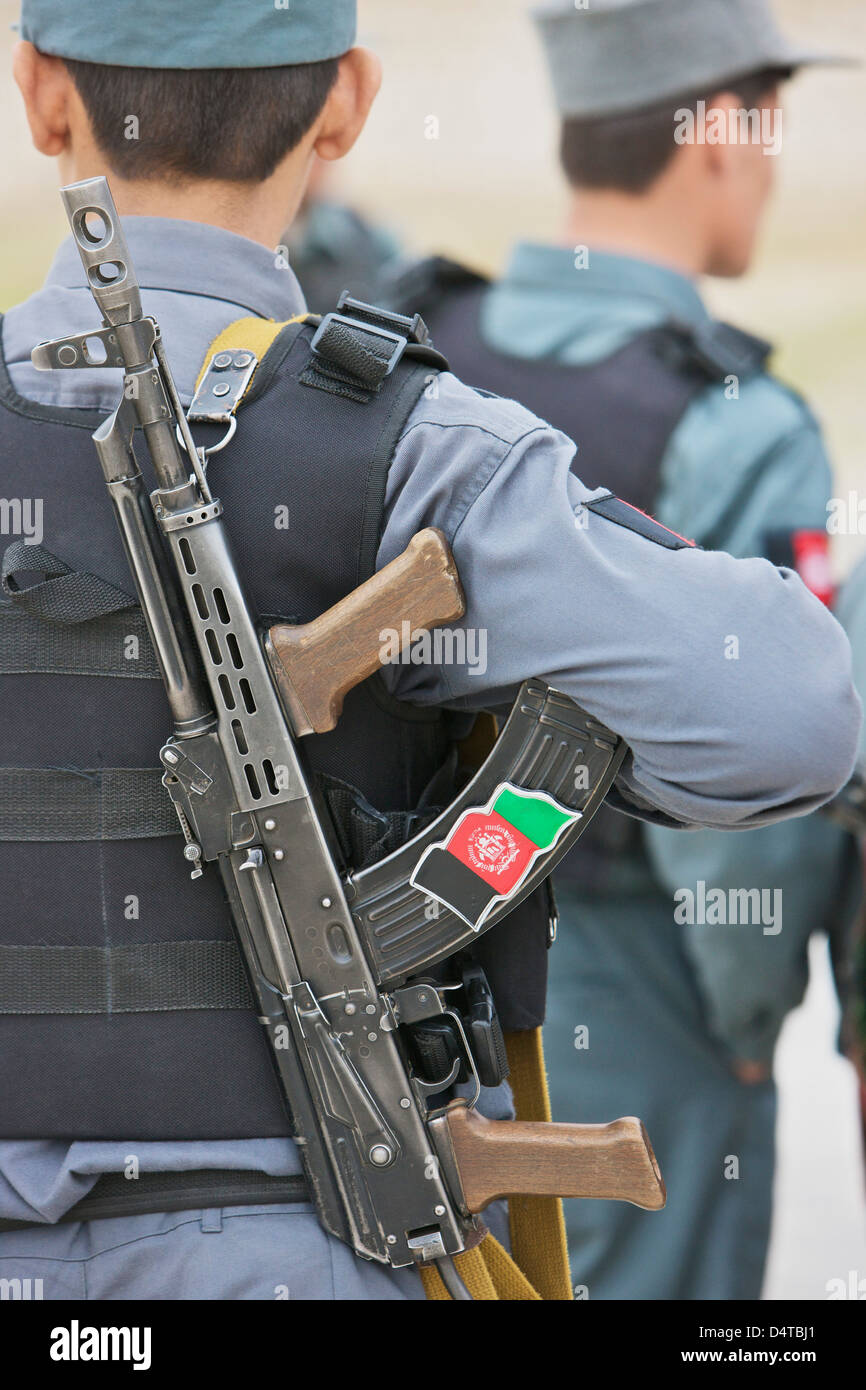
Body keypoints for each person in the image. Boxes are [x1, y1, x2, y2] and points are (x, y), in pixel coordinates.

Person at [0, 0, 858, 1302]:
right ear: (344, 105)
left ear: (38, 92)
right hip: (298, 1247)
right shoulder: (411, 449)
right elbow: (794, 711)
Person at [389, 0, 857, 1298]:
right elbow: (769, 802)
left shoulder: (412, 348)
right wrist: (744, 1028)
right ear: (715, 138)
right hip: (652, 992)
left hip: (415, 990)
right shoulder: (741, 417)